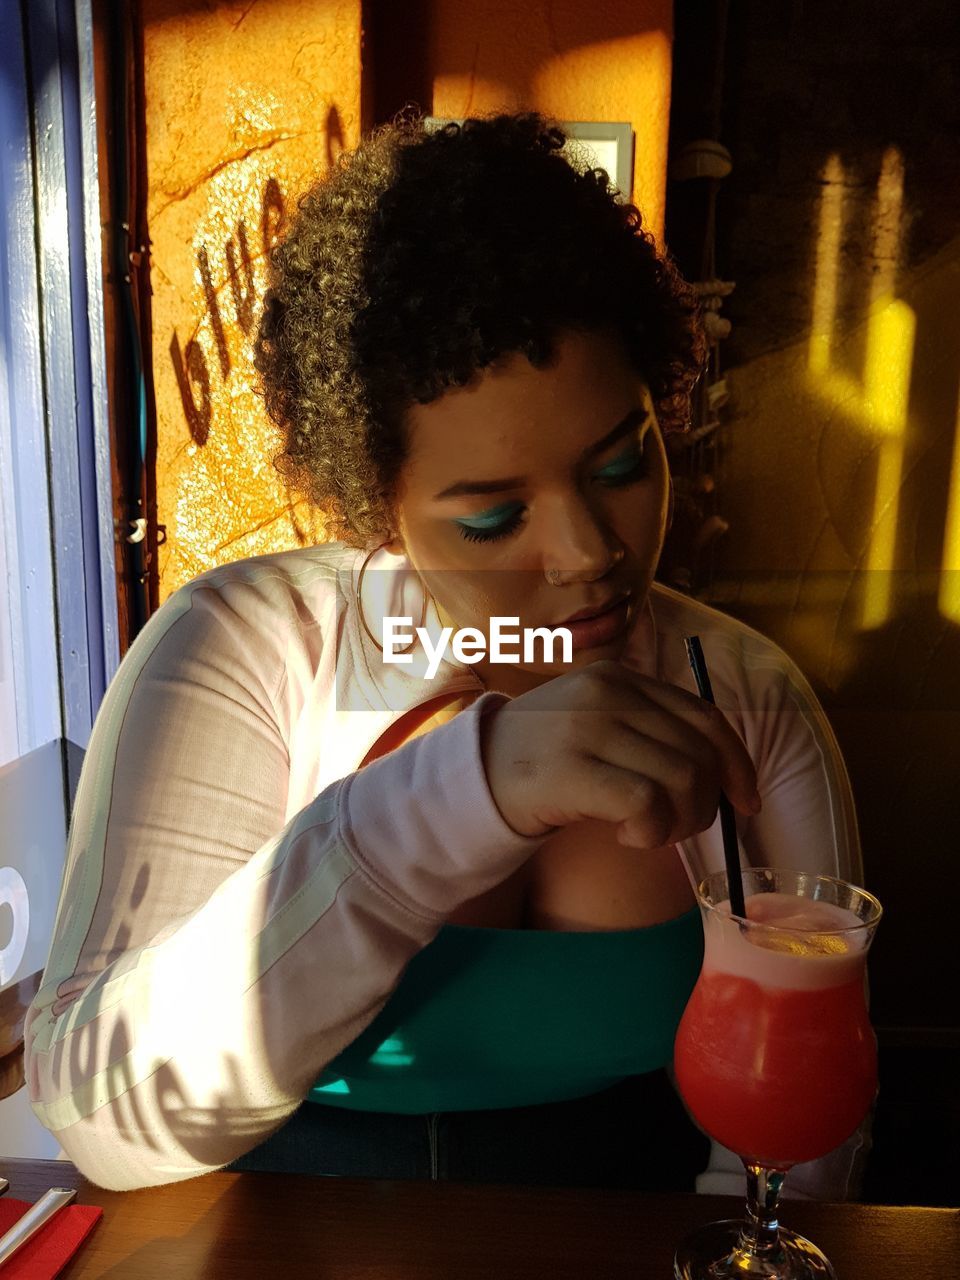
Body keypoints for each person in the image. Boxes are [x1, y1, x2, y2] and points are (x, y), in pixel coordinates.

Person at [24, 112, 864, 1194]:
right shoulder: (240, 654)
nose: (588, 554)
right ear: (379, 505)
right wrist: (462, 794)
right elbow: (100, 1113)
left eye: (623, 464)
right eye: (490, 519)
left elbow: (800, 1132)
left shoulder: (742, 693)